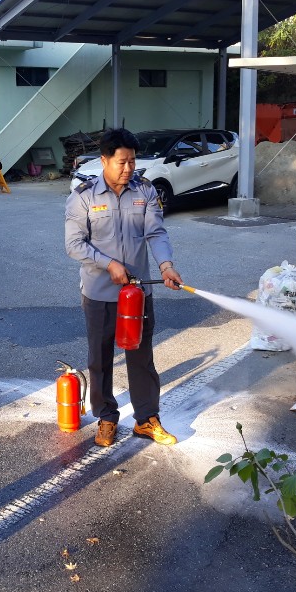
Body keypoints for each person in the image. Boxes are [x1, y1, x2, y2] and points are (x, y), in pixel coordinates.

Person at [65, 127, 184, 448]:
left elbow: (156, 233)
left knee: (141, 356)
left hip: (138, 294)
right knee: (100, 357)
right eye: (122, 162)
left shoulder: (144, 190)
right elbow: (74, 244)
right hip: (99, 292)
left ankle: (146, 419)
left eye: (132, 161)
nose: (128, 168)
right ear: (104, 160)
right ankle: (106, 416)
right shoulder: (84, 196)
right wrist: (109, 264)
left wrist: (166, 265)